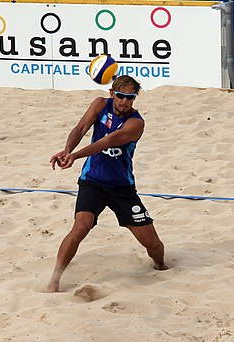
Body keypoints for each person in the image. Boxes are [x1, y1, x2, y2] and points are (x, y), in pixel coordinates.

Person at [46, 75, 168, 293]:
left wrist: (75, 156)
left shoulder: (136, 123)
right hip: (92, 181)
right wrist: (67, 150)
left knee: (153, 245)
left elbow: (107, 142)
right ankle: (54, 279)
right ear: (112, 93)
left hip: (122, 188)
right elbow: (81, 127)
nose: (124, 101)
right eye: (120, 96)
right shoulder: (100, 104)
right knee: (80, 227)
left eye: (130, 98)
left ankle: (161, 266)